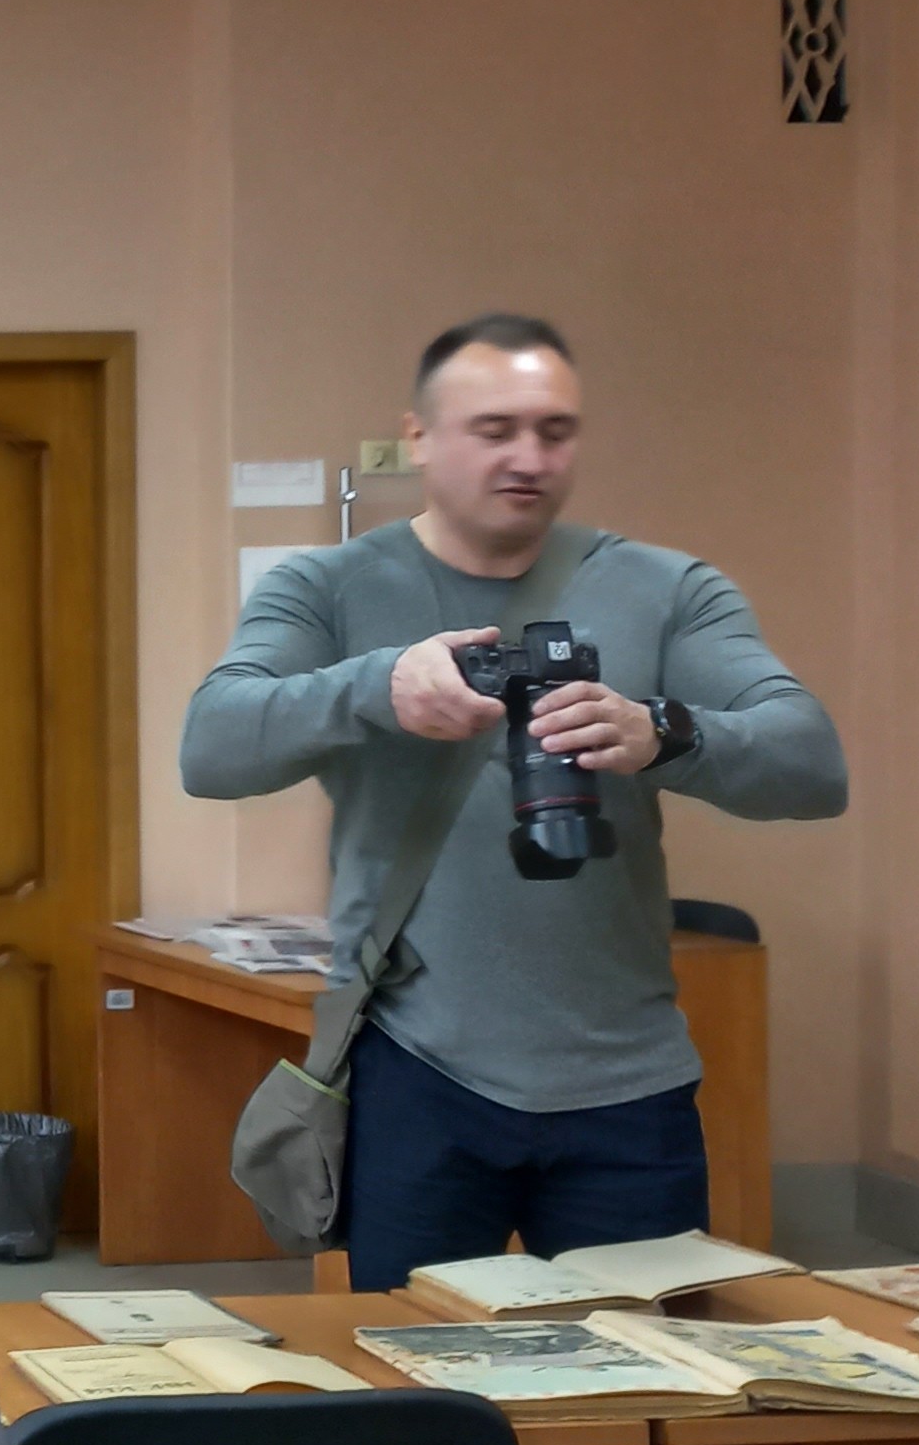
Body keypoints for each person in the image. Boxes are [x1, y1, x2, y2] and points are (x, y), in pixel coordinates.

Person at [180, 314, 845, 1296]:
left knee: (648, 1365)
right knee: (417, 1365)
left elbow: (813, 763)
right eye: (494, 430)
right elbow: (212, 747)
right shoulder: (326, 588)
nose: (528, 457)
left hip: (628, 1080)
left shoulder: (666, 589)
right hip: (417, 1068)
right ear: (418, 438)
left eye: (553, 431)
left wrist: (665, 732)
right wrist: (376, 687)